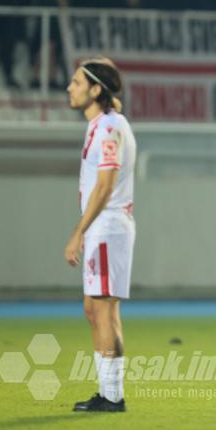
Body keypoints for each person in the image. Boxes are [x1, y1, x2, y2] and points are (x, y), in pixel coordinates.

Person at [65, 57, 137, 413]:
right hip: (103, 229)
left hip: (106, 227)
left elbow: (106, 185)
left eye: (77, 82)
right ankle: (107, 392)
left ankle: (112, 396)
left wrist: (78, 232)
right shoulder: (102, 125)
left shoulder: (108, 127)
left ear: (96, 89)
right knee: (94, 309)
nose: (70, 87)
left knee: (104, 311)